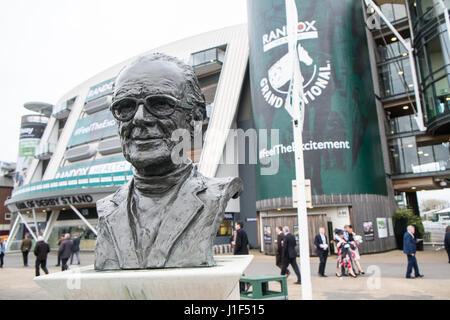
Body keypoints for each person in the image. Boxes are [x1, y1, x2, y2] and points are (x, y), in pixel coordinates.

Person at [94, 53, 243, 270]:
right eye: (125, 107)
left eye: (160, 104)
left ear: (195, 119)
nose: (139, 118)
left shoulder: (215, 195)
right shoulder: (107, 209)